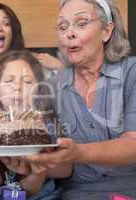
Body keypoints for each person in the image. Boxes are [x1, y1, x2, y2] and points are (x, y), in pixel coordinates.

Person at [26, 0, 136, 199]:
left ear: (106, 31)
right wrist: (31, 162)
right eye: (62, 26)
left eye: (81, 23)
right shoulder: (50, 89)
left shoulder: (132, 73)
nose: (69, 33)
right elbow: (64, 169)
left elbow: (133, 144)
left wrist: (78, 152)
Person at [0, 50, 72, 199]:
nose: (17, 88)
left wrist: (36, 166)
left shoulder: (46, 121)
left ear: (39, 88)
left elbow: (66, 169)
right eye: (8, 81)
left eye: (27, 81)